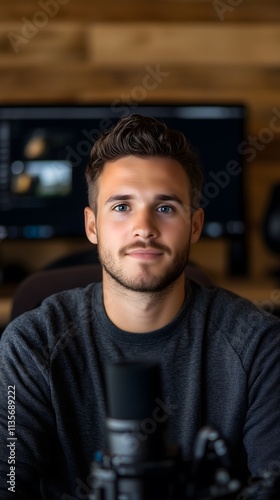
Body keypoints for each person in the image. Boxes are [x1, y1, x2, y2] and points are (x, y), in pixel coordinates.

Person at [1, 114, 280, 500]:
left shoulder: (259, 347)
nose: (144, 227)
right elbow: (9, 484)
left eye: (165, 208)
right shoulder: (31, 344)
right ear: (92, 225)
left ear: (195, 225)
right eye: (121, 207)